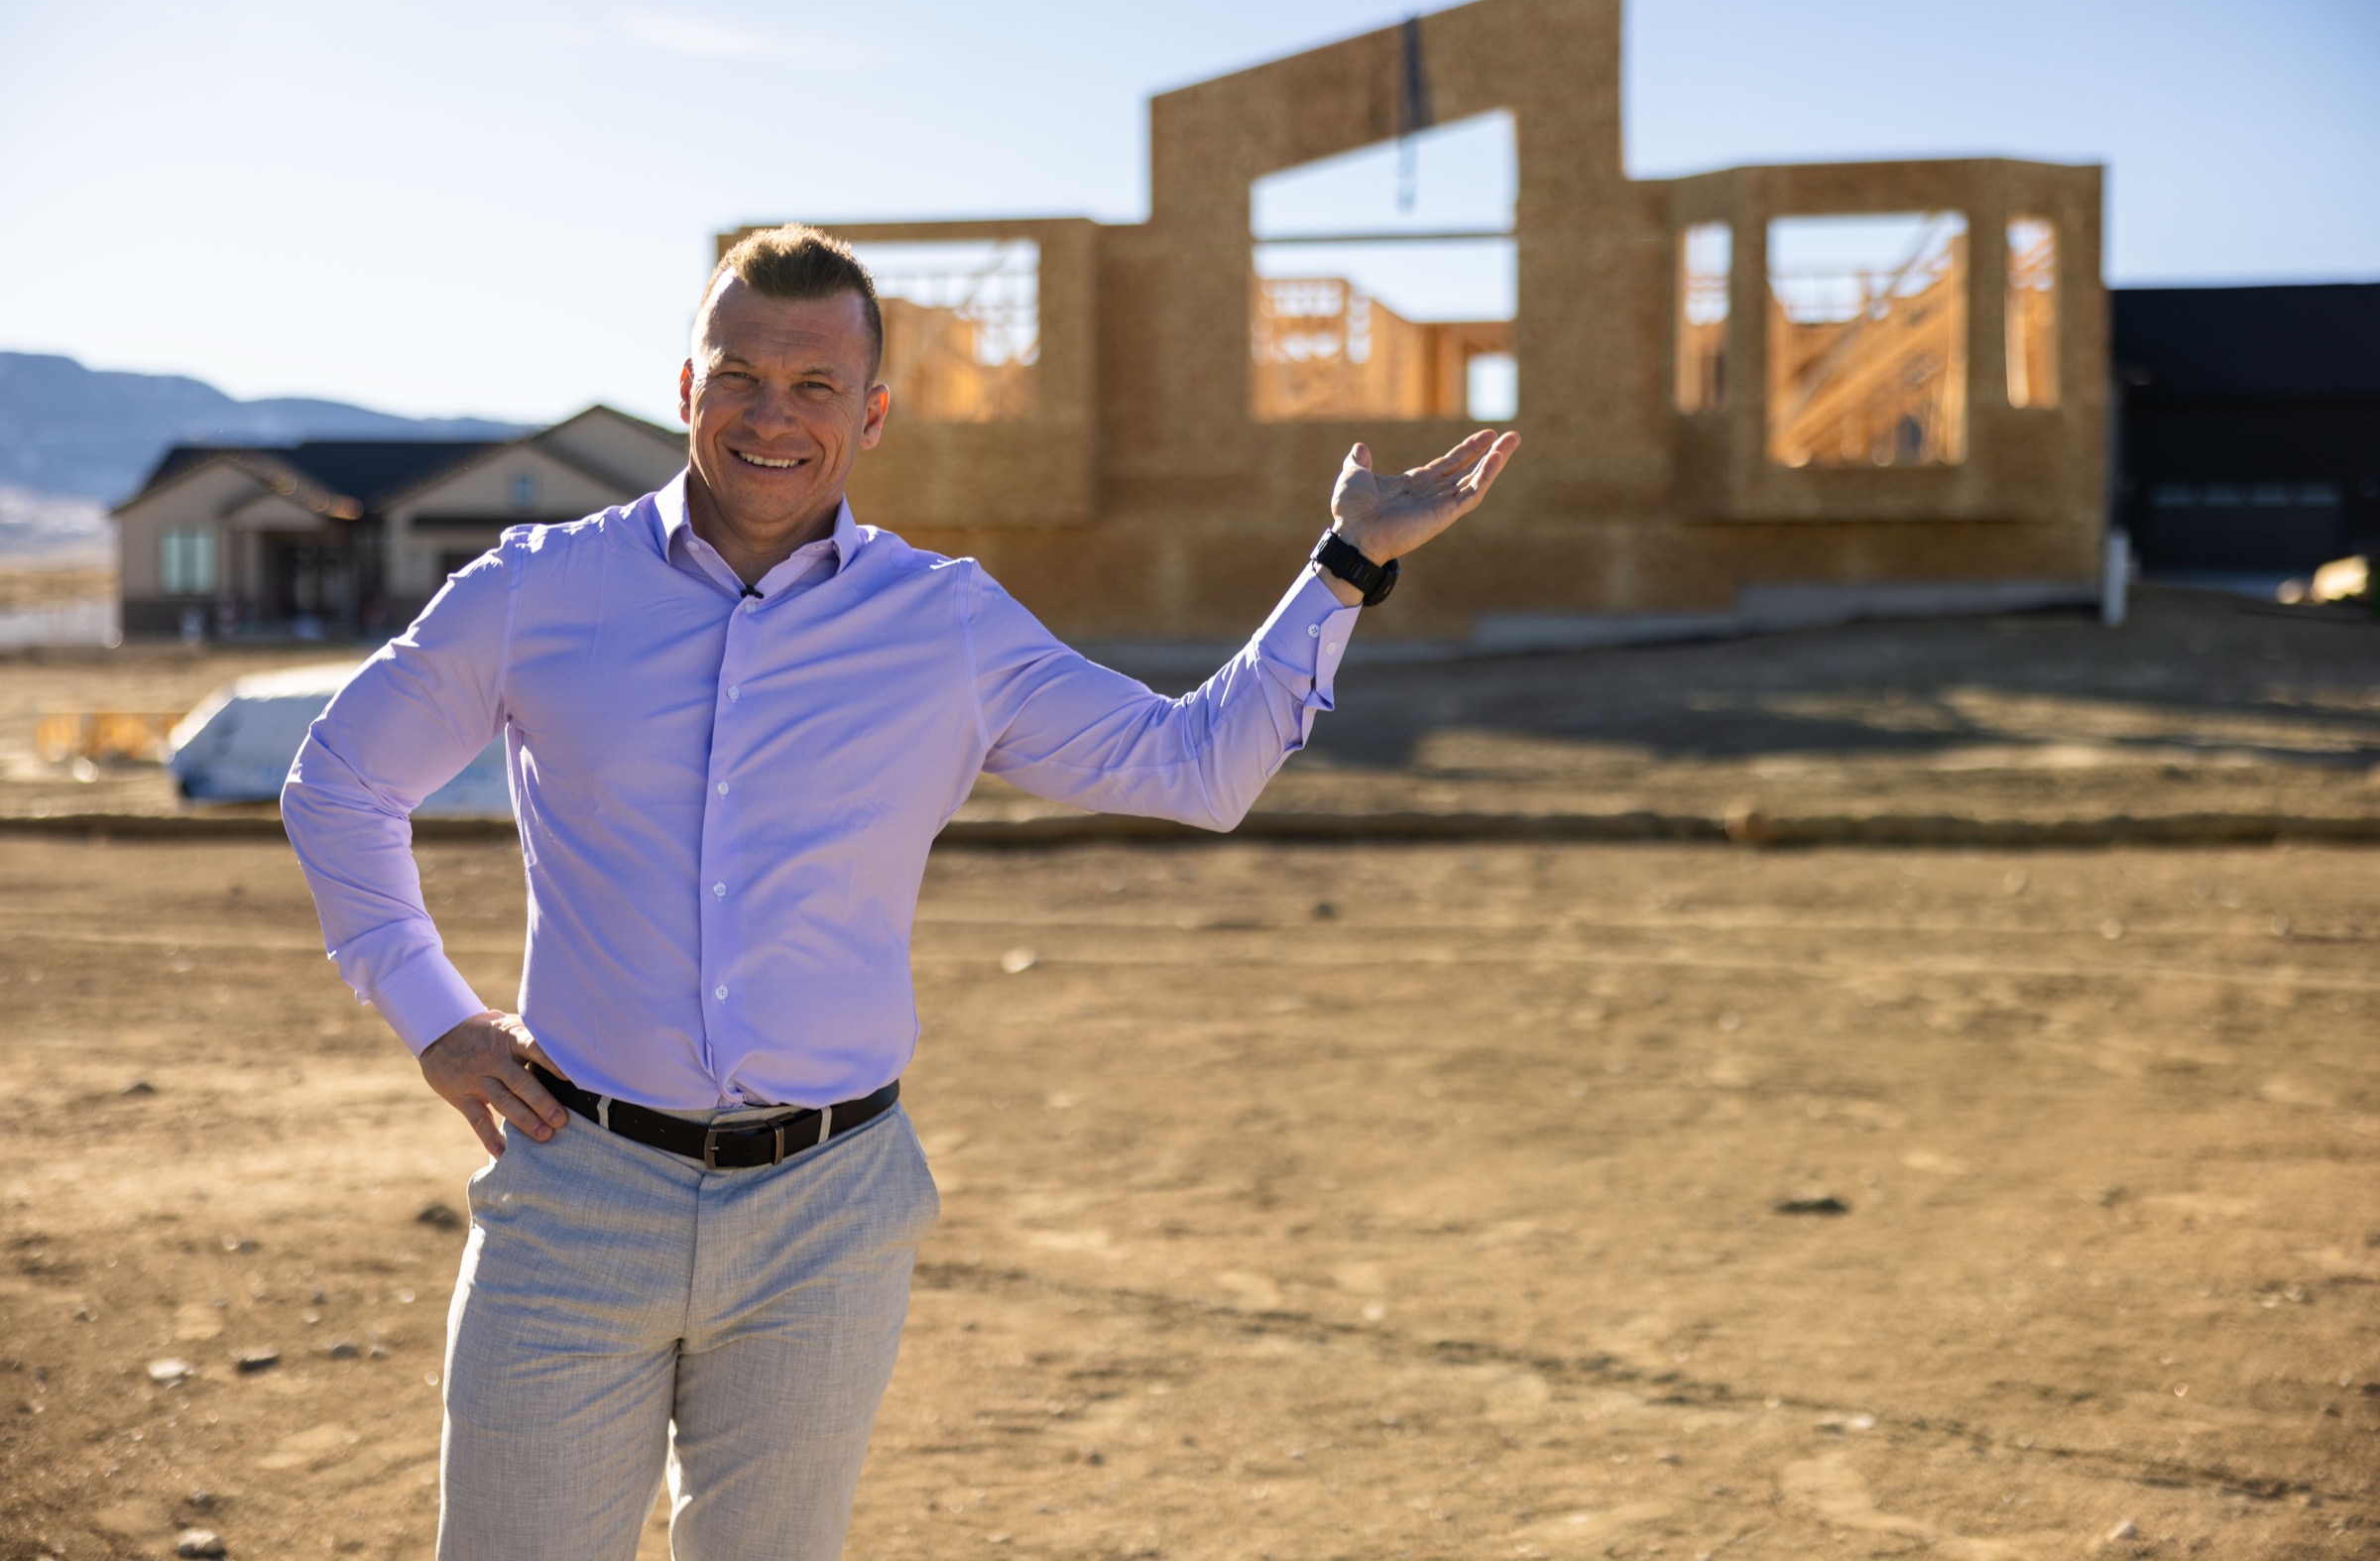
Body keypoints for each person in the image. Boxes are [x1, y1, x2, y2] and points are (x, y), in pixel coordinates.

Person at [284, 223, 1518, 1560]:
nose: (773, 413)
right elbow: (340, 782)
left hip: (827, 1214)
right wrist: (435, 1019)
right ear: (686, 389)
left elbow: (1195, 766)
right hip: (575, 1192)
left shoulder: (948, 624)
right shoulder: (536, 591)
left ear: (872, 416)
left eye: (815, 386)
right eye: (740, 375)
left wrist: (1342, 567)